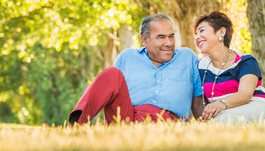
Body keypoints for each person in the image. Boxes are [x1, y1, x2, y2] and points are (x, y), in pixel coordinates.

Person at [69, 14, 203, 125]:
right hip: (126, 120)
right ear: (144, 40)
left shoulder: (187, 57)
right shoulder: (127, 57)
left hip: (166, 122)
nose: (169, 43)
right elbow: (113, 95)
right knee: (111, 73)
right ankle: (75, 124)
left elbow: (198, 104)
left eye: (171, 36)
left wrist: (205, 126)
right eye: (161, 37)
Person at [194, 11, 265, 123]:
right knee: (217, 121)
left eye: (201, 30)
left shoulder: (246, 61)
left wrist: (221, 104)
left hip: (255, 105)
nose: (197, 37)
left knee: (217, 121)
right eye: (195, 34)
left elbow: (245, 94)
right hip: (222, 112)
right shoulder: (201, 66)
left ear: (221, 32)